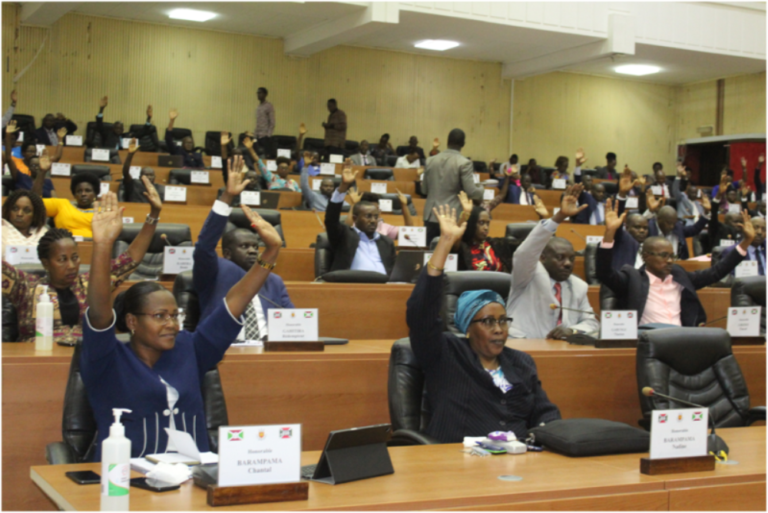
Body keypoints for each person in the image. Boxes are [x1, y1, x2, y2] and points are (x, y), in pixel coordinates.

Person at [80, 190, 282, 461]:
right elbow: (100, 314)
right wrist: (103, 245)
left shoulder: (190, 348)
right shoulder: (106, 359)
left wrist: (271, 252)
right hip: (125, 480)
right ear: (132, 322)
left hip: (193, 480)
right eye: (160, 316)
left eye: (175, 315)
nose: (171, 324)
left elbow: (234, 301)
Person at [406, 205, 560, 443]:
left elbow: (544, 412)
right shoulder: (445, 352)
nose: (499, 329)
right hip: (459, 459)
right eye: (488, 322)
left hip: (517, 459)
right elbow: (421, 314)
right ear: (467, 327)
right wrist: (445, 243)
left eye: (503, 321)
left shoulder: (520, 363)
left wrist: (550, 436)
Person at [0, 186, 160, 344]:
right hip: (34, 361)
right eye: (62, 259)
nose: (71, 265)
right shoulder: (25, 287)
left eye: (75, 258)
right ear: (45, 263)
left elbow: (130, 260)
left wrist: (153, 215)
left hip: (82, 360)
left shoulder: (90, 284)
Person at [597, 199, 754, 326]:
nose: (670, 261)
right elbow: (604, 273)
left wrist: (746, 242)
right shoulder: (632, 278)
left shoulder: (679, 276)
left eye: (672, 256)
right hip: (649, 340)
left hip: (680, 340)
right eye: (664, 256)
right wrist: (609, 234)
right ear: (646, 257)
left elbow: (716, 272)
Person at [194, 156, 293, 341]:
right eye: (245, 246)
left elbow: (293, 323)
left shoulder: (274, 281)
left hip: (267, 352)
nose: (253, 251)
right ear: (228, 254)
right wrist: (227, 197)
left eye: (256, 246)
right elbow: (203, 247)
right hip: (222, 352)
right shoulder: (215, 272)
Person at [506, 184, 598, 340]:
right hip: (524, 348)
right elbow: (525, 253)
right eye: (560, 258)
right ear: (542, 258)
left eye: (572, 259)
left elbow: (592, 322)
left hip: (561, 353)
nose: (568, 264)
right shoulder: (527, 275)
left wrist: (572, 331)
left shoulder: (578, 286)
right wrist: (559, 217)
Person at [324, 167, 395, 275]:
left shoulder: (386, 242)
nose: (373, 221)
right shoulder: (344, 236)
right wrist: (343, 186)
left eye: (376, 217)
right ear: (355, 218)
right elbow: (331, 219)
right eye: (368, 216)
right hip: (352, 286)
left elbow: (394, 271)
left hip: (383, 286)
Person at [422, 128, 484, 244]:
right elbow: (472, 192)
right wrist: (481, 188)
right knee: (451, 258)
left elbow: (424, 190)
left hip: (430, 216)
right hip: (452, 218)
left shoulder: (430, 160)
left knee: (430, 256)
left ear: (447, 141)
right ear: (463, 144)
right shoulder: (464, 163)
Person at [455, 192, 517, 272]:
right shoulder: (463, 247)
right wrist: (466, 213)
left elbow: (523, 243)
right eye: (481, 223)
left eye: (488, 223)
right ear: (472, 224)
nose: (486, 227)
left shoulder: (495, 244)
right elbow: (454, 237)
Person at [40, 173, 106, 238]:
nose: (83, 194)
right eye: (79, 191)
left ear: (95, 194)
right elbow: (35, 203)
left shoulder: (104, 211)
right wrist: (42, 172)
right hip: (64, 245)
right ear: (74, 195)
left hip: (94, 246)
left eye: (88, 191)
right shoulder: (62, 204)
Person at [4, 121, 57, 197]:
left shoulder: (47, 182)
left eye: (38, 165)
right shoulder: (21, 177)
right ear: (29, 168)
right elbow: (8, 158)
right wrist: (8, 135)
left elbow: (55, 199)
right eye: (33, 165)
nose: (36, 168)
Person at [345, 188, 413, 239]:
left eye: (376, 210)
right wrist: (353, 204)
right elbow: (346, 231)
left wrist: (404, 206)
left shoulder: (384, 227)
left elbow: (408, 232)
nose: (375, 213)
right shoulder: (355, 225)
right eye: (369, 213)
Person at [0, 189, 49, 260]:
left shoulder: (43, 233)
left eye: (26, 210)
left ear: (35, 214)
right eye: (15, 209)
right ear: (8, 210)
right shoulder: (1, 229)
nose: (19, 214)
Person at [121, 138, 165, 203]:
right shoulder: (134, 184)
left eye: (151, 175)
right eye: (146, 175)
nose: (149, 177)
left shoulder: (159, 188)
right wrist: (130, 155)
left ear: (155, 177)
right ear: (140, 177)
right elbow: (125, 172)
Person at [254, 87, 275, 158]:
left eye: (260, 93)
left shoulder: (269, 106)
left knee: (266, 156)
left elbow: (272, 122)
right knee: (256, 155)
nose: (258, 95)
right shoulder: (258, 107)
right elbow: (258, 122)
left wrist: (268, 135)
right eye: (258, 93)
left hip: (265, 136)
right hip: (257, 135)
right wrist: (255, 135)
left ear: (265, 94)